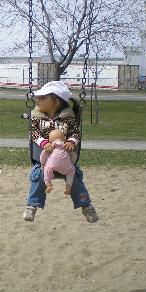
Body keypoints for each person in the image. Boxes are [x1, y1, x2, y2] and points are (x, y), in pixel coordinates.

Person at [23, 81, 99, 223]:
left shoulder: (68, 118)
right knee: (38, 175)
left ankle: (86, 206)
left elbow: (76, 133)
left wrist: (71, 142)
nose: (37, 100)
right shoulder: (37, 118)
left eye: (42, 97)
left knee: (75, 176)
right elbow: (33, 134)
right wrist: (44, 143)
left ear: (56, 101)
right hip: (44, 162)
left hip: (66, 160)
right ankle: (32, 206)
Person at [40, 129, 75, 195]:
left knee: (47, 169)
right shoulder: (66, 146)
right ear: (64, 139)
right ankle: (68, 188)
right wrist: (72, 163)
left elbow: (43, 156)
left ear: (49, 140)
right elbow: (73, 155)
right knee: (71, 172)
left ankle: (48, 185)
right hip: (66, 166)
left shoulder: (50, 146)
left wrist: (42, 164)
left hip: (52, 165)